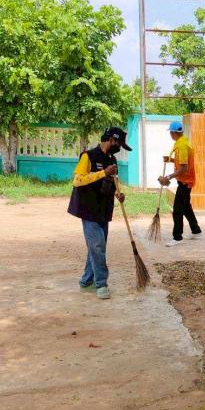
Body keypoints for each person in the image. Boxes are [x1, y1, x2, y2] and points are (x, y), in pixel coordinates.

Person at [67, 126, 131, 300]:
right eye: (118, 144)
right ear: (111, 139)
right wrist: (103, 172)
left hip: (104, 209)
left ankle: (86, 280)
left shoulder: (112, 160)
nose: (119, 148)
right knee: (97, 246)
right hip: (88, 209)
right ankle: (101, 284)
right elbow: (78, 180)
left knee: (97, 247)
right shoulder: (88, 156)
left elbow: (114, 181)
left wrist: (118, 194)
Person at [159, 121, 202, 246]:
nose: (170, 135)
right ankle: (196, 230)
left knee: (177, 210)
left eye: (171, 133)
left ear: (173, 133)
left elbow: (184, 168)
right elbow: (183, 162)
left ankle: (177, 237)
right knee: (186, 207)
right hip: (186, 181)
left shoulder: (182, 146)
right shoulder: (184, 142)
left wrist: (168, 177)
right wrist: (171, 160)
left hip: (185, 182)